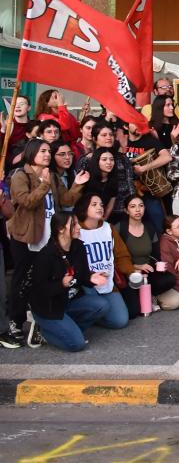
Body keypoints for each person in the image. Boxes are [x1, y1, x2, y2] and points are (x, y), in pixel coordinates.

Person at [7, 139, 89, 346]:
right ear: (32, 152)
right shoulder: (20, 175)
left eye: (48, 151)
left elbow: (66, 200)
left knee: (44, 279)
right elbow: (26, 202)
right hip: (27, 237)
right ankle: (15, 323)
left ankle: (39, 319)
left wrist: (78, 185)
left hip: (47, 237)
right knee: (21, 281)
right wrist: (43, 184)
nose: (47, 155)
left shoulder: (52, 175)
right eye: (42, 151)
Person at [26, 213, 112, 352]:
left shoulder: (78, 246)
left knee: (102, 306)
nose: (79, 227)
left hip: (70, 300)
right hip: (49, 307)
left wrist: (91, 278)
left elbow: (82, 275)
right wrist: (61, 284)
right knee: (77, 345)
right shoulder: (46, 255)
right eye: (74, 224)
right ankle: (42, 333)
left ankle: (69, 329)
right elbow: (39, 290)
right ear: (61, 229)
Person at [74, 194, 131, 331]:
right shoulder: (76, 230)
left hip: (108, 281)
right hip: (86, 284)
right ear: (83, 209)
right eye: (94, 205)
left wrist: (132, 272)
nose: (99, 207)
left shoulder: (108, 228)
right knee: (98, 306)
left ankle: (93, 317)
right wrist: (91, 275)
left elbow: (121, 255)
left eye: (101, 204)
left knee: (120, 321)